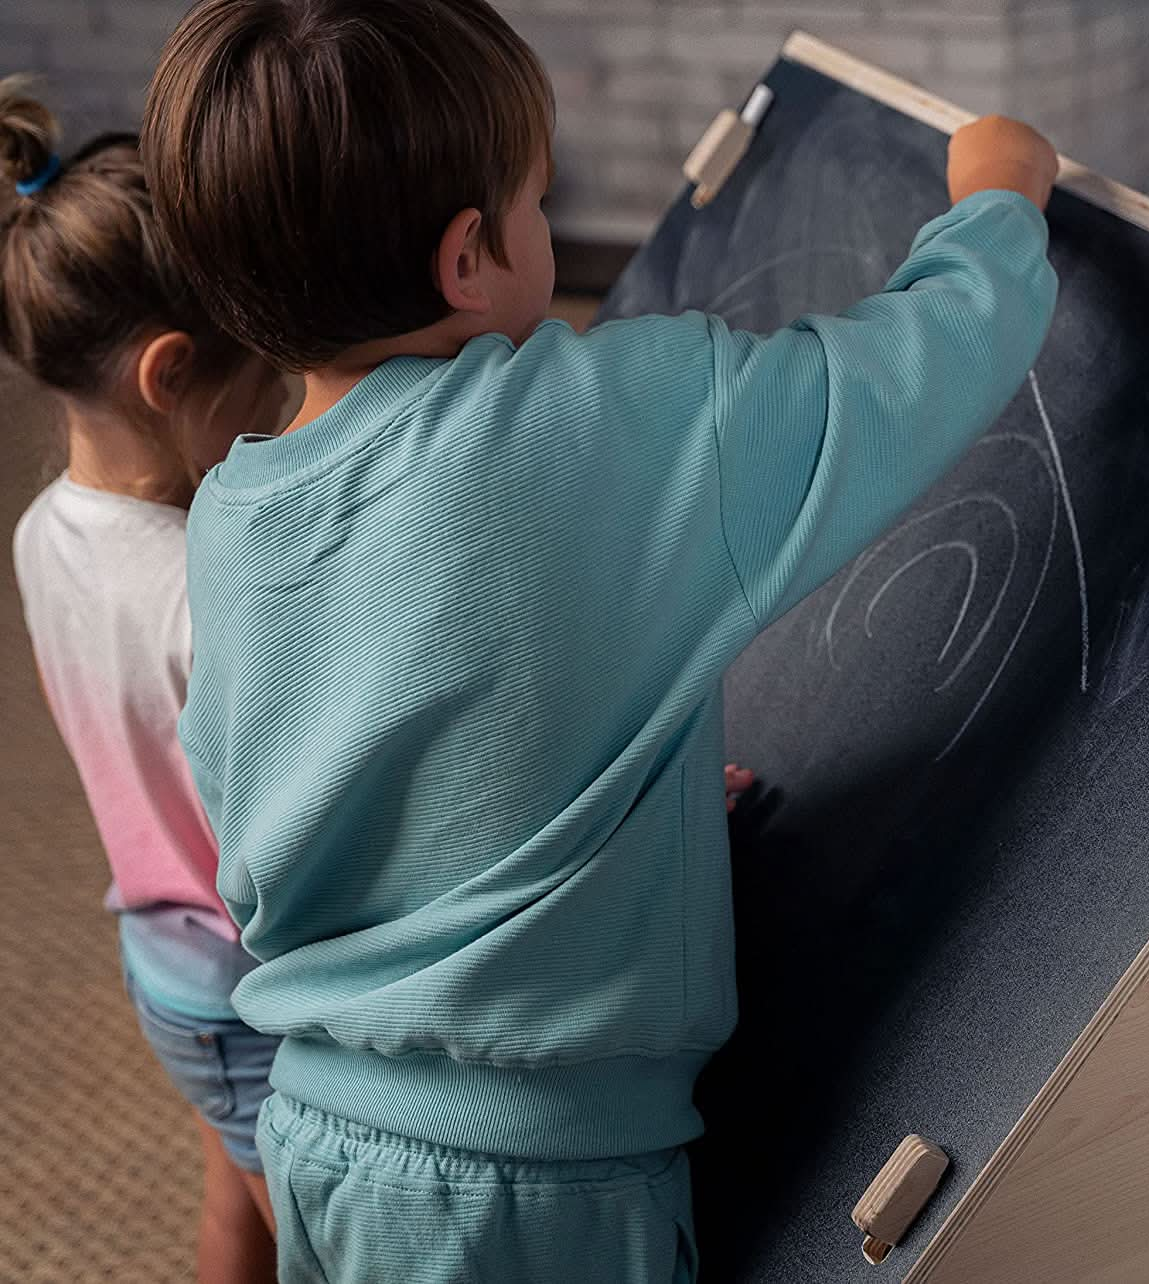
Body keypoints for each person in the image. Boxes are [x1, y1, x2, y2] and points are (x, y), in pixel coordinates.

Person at [140, 2, 1061, 1279]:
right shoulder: (600, 424)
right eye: (536, 200)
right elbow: (906, 373)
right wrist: (999, 206)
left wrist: (614, 820)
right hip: (536, 1194)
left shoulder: (231, 518)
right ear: (470, 257)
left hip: (324, 1138)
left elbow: (308, 813)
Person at [4, 77, 292, 1284]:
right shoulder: (198, 589)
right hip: (246, 998)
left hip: (165, 976)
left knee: (230, 1184)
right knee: (329, 1246)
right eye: (265, 385)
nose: (283, 410)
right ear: (171, 374)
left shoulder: (36, 533)